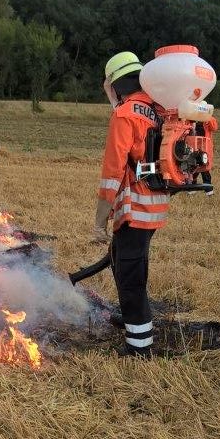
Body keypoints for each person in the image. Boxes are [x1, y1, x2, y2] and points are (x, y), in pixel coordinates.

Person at [93, 51, 170, 358]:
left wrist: (99, 219)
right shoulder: (157, 109)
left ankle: (139, 346)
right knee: (125, 263)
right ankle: (131, 319)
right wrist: (113, 95)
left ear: (116, 83)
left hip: (135, 209)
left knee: (130, 277)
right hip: (153, 206)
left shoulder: (124, 115)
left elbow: (113, 172)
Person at [192, 116, 219, 195]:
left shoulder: (209, 118)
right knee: (193, 168)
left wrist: (208, 118)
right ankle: (191, 189)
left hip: (205, 147)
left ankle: (209, 191)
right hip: (194, 146)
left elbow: (214, 127)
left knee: (205, 168)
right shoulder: (191, 117)